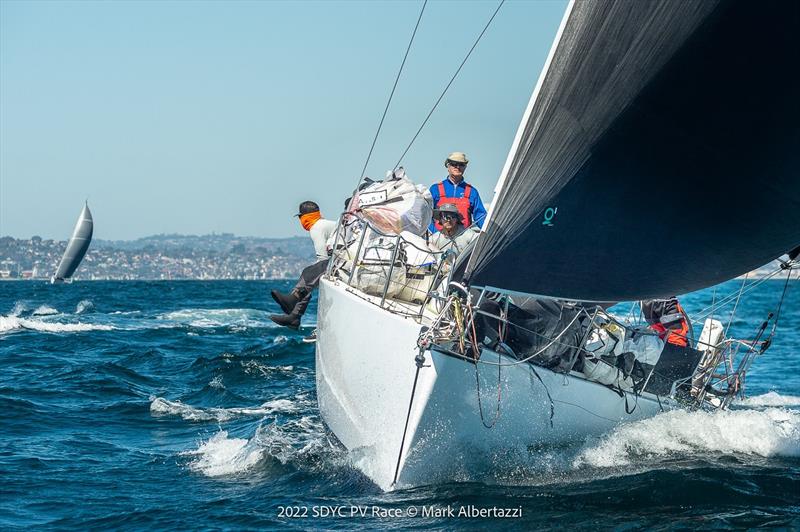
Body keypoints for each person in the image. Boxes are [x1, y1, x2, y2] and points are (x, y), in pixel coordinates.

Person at [270, 201, 337, 330]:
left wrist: (312, 275)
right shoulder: (325, 224)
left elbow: (322, 258)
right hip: (343, 257)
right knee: (308, 275)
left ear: (305, 217)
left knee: (309, 275)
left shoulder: (316, 228)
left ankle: (294, 308)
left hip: (343, 260)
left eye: (300, 217)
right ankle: (294, 314)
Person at [429, 152, 487, 233]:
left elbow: (481, 217)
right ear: (447, 166)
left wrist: (489, 232)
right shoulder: (435, 189)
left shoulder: (472, 192)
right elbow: (426, 215)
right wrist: (435, 234)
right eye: (454, 164)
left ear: (465, 167)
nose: (458, 167)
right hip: (440, 241)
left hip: (464, 241)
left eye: (461, 164)